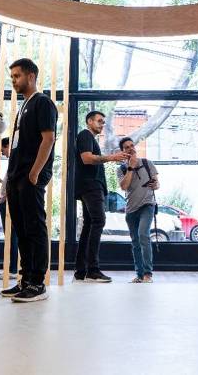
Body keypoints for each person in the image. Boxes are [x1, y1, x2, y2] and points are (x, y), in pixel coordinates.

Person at [0, 58, 57, 303]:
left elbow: (48, 139)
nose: (14, 80)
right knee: (21, 230)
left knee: (34, 228)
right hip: (16, 176)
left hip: (30, 176)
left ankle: (37, 283)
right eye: (12, 76)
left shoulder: (42, 102)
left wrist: (34, 173)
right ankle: (25, 279)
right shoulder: (24, 106)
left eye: (17, 76)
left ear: (31, 76)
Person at [73, 111, 129, 283]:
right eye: (99, 121)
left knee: (90, 225)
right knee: (98, 221)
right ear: (89, 121)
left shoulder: (89, 138)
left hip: (89, 185)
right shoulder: (85, 135)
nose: (102, 124)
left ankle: (81, 271)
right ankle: (92, 270)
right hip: (90, 186)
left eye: (103, 122)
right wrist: (112, 157)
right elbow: (87, 159)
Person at [117, 137, 159, 283]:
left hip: (147, 205)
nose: (131, 148)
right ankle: (139, 275)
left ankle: (148, 274)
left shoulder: (147, 163)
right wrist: (130, 167)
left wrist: (155, 184)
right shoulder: (121, 169)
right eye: (126, 147)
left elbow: (157, 183)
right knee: (135, 242)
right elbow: (124, 186)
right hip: (131, 209)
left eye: (132, 145)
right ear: (123, 152)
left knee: (143, 235)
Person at [0, 137, 18, 281]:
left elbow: (11, 180)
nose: (3, 153)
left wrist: (4, 196)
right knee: (12, 236)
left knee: (12, 236)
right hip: (7, 200)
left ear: (7, 146)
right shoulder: (14, 161)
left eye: (3, 149)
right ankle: (12, 268)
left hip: (9, 201)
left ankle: (12, 269)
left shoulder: (15, 159)